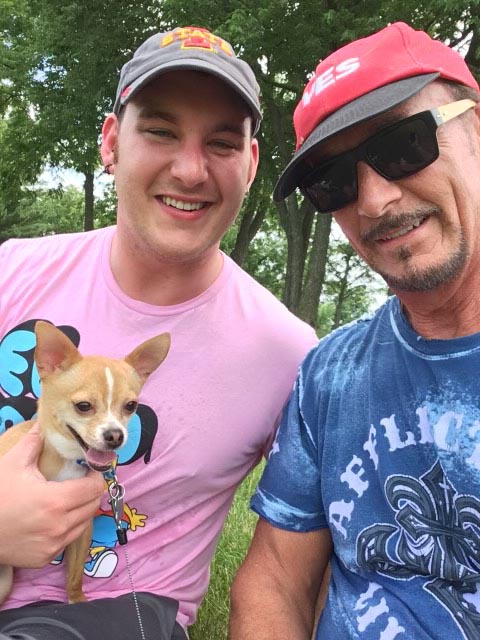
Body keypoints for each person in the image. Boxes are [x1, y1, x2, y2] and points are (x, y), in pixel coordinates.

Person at [0, 25, 317, 640]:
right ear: (112, 142)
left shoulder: (288, 354)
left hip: (108, 613)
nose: (190, 169)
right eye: (161, 131)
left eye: (222, 143)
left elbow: (311, 548)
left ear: (251, 164)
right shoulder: (12, 271)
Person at [229, 21, 480, 640]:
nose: (373, 200)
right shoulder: (330, 371)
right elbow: (276, 579)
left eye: (404, 145)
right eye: (333, 181)